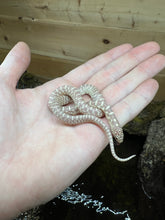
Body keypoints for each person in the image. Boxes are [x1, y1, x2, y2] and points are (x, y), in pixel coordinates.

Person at [0, 41, 164, 219]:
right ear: (116, 131)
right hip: (68, 100)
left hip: (75, 101)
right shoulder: (91, 108)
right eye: (116, 136)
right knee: (84, 110)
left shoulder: (101, 111)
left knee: (84, 110)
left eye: (117, 136)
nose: (117, 137)